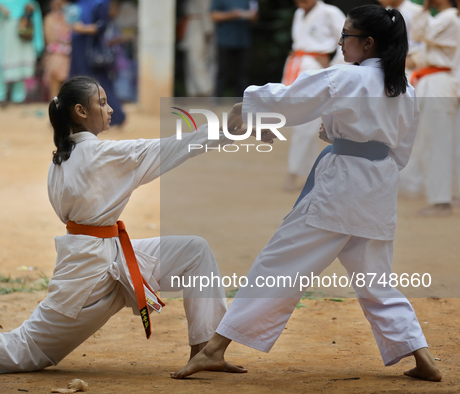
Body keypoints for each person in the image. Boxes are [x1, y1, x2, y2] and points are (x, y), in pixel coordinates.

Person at [0, 76, 271, 375]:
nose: (110, 109)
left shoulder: (61, 160)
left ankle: (204, 350)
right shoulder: (102, 155)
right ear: (80, 112)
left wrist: (230, 129)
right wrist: (231, 128)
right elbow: (170, 149)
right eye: (102, 103)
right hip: (90, 271)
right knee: (26, 352)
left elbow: (162, 150)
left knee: (193, 251)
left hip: (106, 255)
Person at [171, 5, 443, 382]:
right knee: (375, 279)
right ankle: (423, 356)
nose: (341, 43)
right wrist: (344, 139)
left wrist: (244, 105)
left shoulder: (348, 77)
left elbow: (289, 100)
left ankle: (214, 349)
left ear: (367, 43)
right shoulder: (405, 88)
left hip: (341, 186)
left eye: (346, 36)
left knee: (278, 263)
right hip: (378, 187)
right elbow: (397, 150)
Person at [400, 0, 460, 216]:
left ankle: (441, 201)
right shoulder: (442, 18)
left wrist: (424, 11)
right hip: (432, 80)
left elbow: (419, 35)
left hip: (439, 82)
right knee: (444, 141)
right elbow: (420, 36)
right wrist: (425, 10)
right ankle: (450, 195)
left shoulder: (451, 17)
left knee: (437, 143)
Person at [281, 0, 346, 192]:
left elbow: (350, 37)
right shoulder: (299, 14)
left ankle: (294, 172)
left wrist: (334, 64)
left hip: (318, 71)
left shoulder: (330, 12)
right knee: (302, 123)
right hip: (299, 67)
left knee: (307, 123)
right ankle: (310, 172)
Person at [69, 0, 126, 127]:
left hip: (91, 50)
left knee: (97, 84)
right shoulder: (80, 3)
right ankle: (68, 118)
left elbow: (102, 26)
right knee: (75, 82)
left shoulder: (99, 3)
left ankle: (116, 117)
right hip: (78, 47)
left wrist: (82, 29)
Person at [0, 0, 44, 106]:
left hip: (22, 31)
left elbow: (33, 6)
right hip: (4, 31)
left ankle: (18, 98)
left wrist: (30, 9)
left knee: (21, 64)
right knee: (2, 64)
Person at [210, 0, 257, 97]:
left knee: (242, 72)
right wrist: (231, 15)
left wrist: (250, 16)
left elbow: (255, 17)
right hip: (224, 40)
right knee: (222, 71)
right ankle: (217, 97)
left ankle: (243, 98)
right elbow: (213, 15)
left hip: (242, 40)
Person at [180, 0, 215, 97]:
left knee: (197, 59)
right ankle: (194, 92)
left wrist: (208, 30)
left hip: (199, 26)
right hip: (192, 24)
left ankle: (207, 89)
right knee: (191, 61)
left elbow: (205, 11)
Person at [43, 0, 71, 100]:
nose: (58, 6)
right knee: (55, 66)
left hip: (70, 55)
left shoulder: (72, 16)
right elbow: (50, 38)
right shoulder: (49, 18)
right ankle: (55, 105)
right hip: (55, 54)